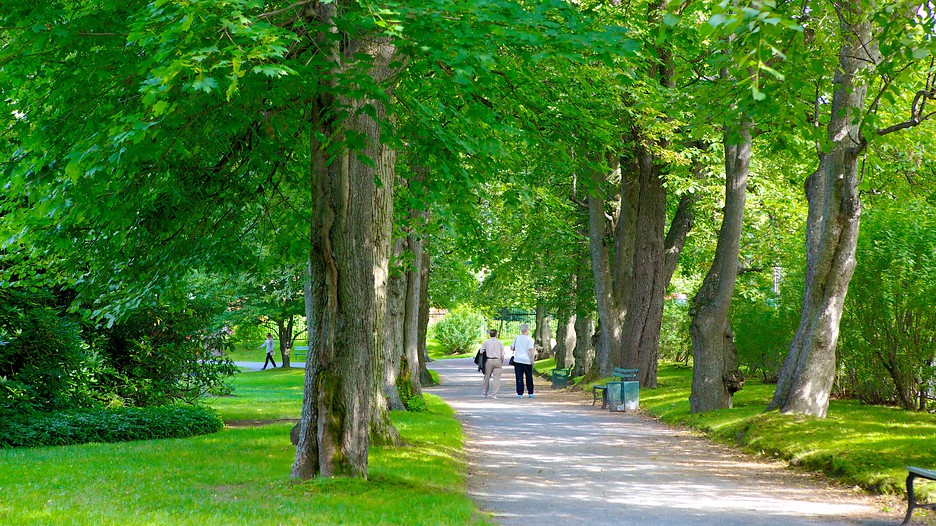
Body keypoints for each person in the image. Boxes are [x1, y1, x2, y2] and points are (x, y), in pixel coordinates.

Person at [511, 324, 536, 398]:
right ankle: (530, 392)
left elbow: (512, 347)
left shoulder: (517, 338)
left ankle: (519, 393)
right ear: (527, 330)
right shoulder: (529, 339)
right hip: (527, 360)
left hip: (517, 360)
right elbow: (530, 350)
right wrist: (532, 359)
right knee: (529, 376)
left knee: (519, 376)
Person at [480, 329, 505, 399]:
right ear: (496, 334)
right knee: (496, 378)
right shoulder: (500, 343)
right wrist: (501, 362)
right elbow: (502, 355)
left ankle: (485, 392)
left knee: (487, 377)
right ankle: (494, 394)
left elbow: (481, 351)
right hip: (497, 360)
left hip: (489, 360)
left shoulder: (486, 342)